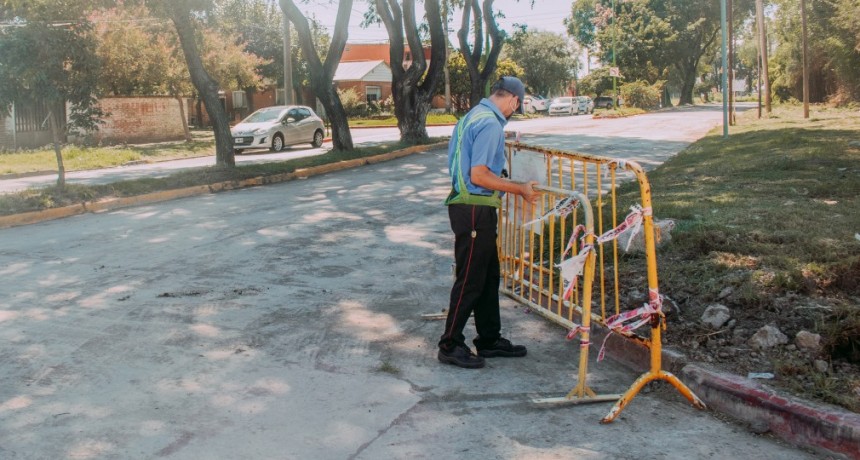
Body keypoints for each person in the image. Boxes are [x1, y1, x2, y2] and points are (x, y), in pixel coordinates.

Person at [438, 76, 540, 369]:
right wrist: (519, 187)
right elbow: (479, 175)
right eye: (515, 109)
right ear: (513, 100)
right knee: (471, 279)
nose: (512, 114)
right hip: (473, 209)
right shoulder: (491, 124)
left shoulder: (473, 115)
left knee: (488, 276)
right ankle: (449, 344)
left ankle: (489, 339)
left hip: (474, 207)